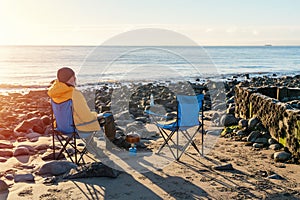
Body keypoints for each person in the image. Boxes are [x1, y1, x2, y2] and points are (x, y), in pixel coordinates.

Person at [47, 67, 129, 148]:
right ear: (71, 78)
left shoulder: (54, 94)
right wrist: (95, 115)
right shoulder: (74, 94)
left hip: (61, 128)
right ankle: (111, 143)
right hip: (76, 130)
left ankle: (92, 144)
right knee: (108, 116)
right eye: (74, 76)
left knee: (82, 118)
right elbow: (86, 118)